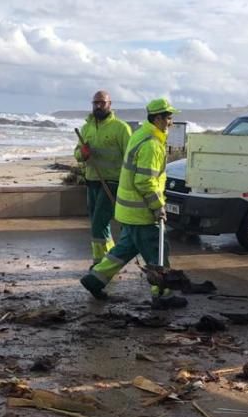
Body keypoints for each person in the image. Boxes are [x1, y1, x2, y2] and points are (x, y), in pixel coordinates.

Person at [80, 97, 187, 309]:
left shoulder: (140, 134)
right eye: (168, 117)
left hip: (128, 210)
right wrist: (158, 207)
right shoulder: (152, 145)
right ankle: (162, 294)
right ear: (158, 118)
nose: (171, 122)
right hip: (142, 212)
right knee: (158, 251)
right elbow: (145, 181)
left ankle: (94, 279)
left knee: (123, 250)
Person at [74, 90, 131, 264]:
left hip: (113, 182)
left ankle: (100, 263)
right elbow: (77, 154)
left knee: (99, 222)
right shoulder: (86, 128)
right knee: (98, 222)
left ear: (109, 104)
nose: (98, 106)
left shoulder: (120, 128)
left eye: (102, 103)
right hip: (92, 180)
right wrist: (82, 154)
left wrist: (129, 183)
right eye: (95, 103)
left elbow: (131, 156)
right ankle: (108, 257)